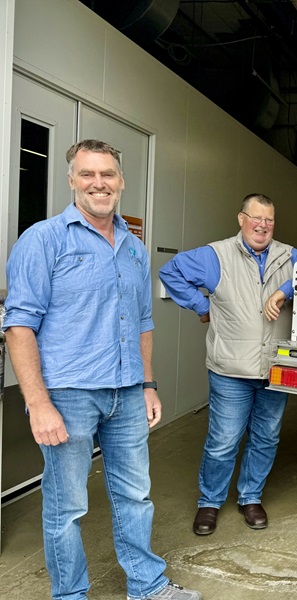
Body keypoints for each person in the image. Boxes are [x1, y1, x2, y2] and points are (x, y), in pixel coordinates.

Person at [3, 140, 201, 600]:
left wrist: (148, 384)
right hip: (68, 394)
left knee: (136, 497)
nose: (99, 183)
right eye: (88, 174)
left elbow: (143, 323)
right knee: (66, 506)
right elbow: (18, 326)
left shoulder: (134, 249)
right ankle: (70, 595)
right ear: (71, 180)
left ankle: (147, 587)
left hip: (128, 392)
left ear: (121, 181)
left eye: (107, 174)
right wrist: (37, 403)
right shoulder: (44, 239)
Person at [159, 193, 297, 536]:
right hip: (230, 368)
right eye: (256, 218)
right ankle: (209, 502)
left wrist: (284, 290)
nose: (262, 226)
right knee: (224, 440)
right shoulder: (216, 256)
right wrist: (201, 306)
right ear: (241, 219)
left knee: (266, 437)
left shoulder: (291, 256)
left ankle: (250, 496)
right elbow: (170, 272)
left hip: (275, 366)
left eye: (269, 220)